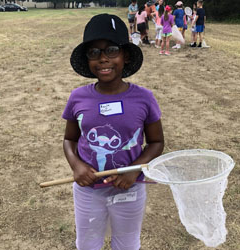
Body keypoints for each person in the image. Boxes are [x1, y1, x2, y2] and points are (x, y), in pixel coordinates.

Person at [63, 13, 164, 250]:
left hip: (130, 187)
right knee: (87, 244)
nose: (103, 59)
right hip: (88, 190)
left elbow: (156, 142)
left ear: (125, 55)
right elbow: (69, 139)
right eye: (94, 53)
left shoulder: (144, 98)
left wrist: (133, 170)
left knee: (127, 244)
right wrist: (76, 165)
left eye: (111, 50)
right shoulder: (78, 98)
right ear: (87, 59)